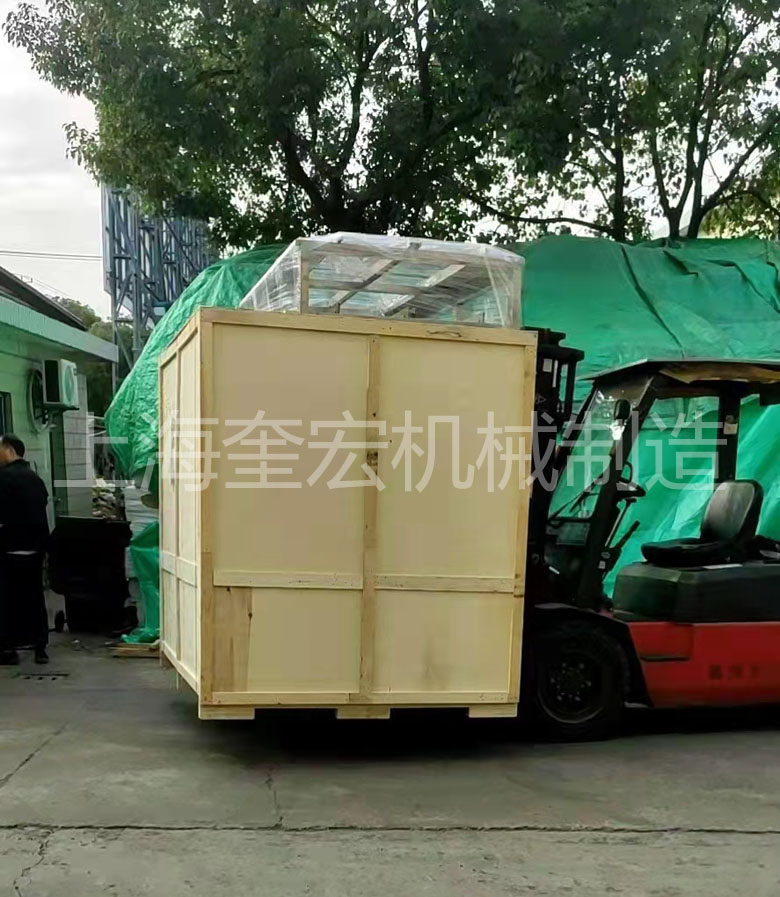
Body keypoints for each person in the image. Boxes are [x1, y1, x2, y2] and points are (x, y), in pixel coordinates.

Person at [0, 434, 50, 665]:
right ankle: (40, 648)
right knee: (35, 597)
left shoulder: (3, 477)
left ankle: (9, 649)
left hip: (9, 548)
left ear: (9, 450)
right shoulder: (35, 479)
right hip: (34, 549)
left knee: (8, 600)